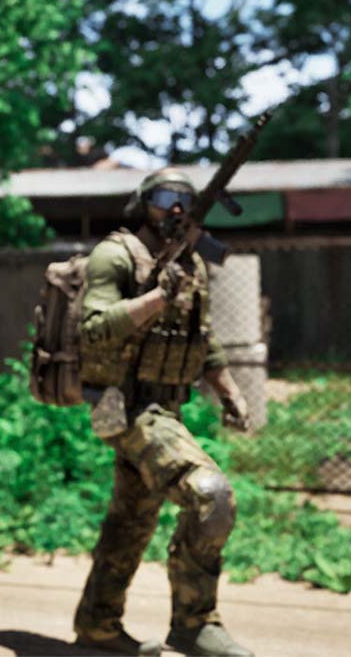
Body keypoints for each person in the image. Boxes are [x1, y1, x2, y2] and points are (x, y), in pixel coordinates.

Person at [74, 169, 253, 657]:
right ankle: (194, 623)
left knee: (132, 519)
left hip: (168, 406)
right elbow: (92, 329)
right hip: (128, 408)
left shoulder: (190, 261)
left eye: (185, 200)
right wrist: (157, 297)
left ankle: (97, 622)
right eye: (165, 197)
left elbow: (203, 337)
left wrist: (229, 390)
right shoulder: (115, 255)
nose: (176, 208)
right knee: (210, 496)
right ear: (144, 203)